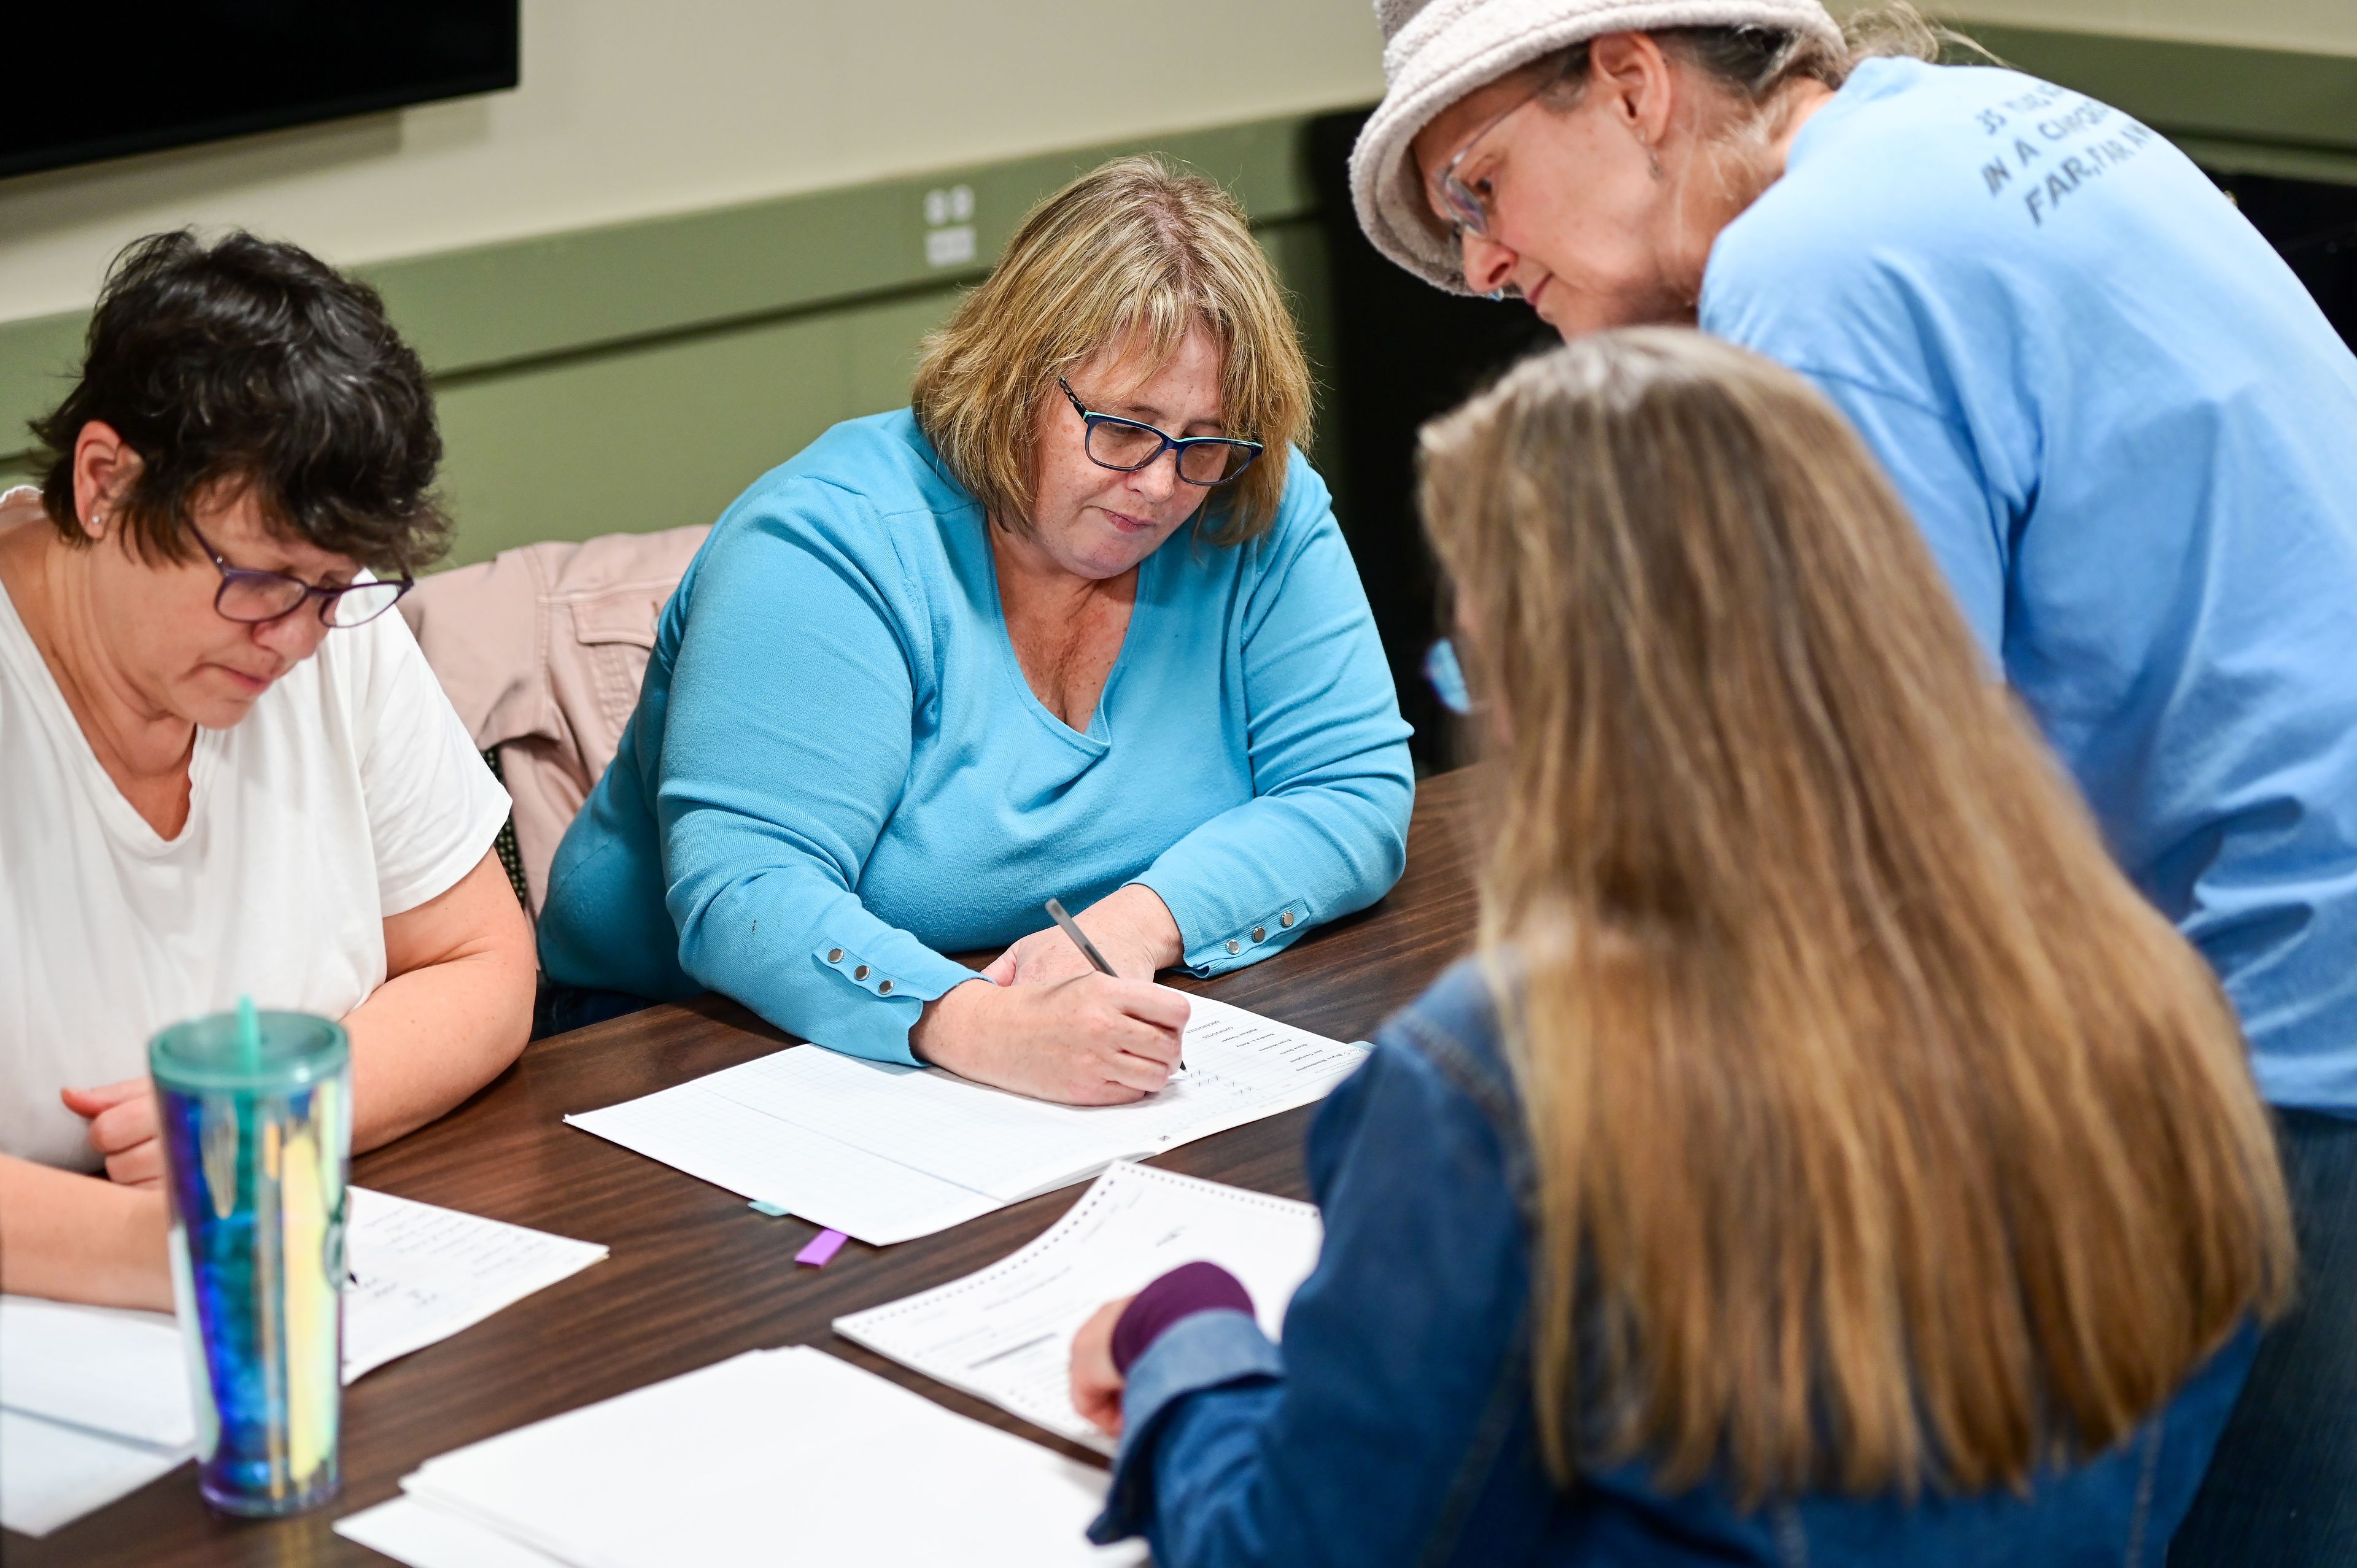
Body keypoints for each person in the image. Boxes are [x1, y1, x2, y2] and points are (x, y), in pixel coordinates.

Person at [1345, 2, 2357, 1556]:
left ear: (1630, 84)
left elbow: (1856, 834)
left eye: (1479, 188)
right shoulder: (1958, 133)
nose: (1481, 264)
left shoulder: (1811, 271)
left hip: (2292, 1030)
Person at [1069, 330, 2294, 1567]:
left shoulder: (1508, 1081)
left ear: (1573, 695)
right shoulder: (2147, 988)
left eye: (1471, 669)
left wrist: (1189, 1345)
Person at [535, 157, 1414, 1103]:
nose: (1163, 485)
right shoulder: (827, 541)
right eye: (1123, 427)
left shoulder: (1249, 498)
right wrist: (980, 1024)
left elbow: (1352, 789)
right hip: (680, 1038)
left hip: (1064, 1013)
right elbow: (748, 894)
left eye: (1205, 438)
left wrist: (1133, 925)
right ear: (1012, 379)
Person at [0, 233, 535, 1311]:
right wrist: (169, 1253)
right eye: (258, 581)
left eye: (336, 588)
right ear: (104, 483)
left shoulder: (325, 621)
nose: (296, 642)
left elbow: (483, 961)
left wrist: (278, 1117)